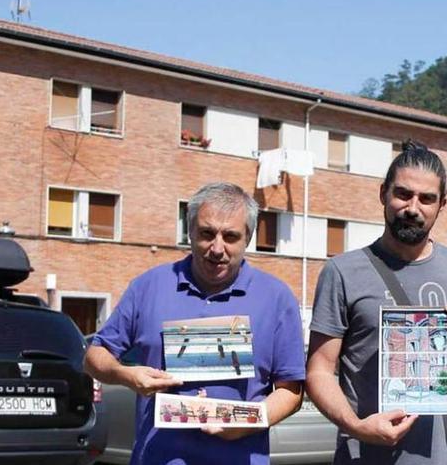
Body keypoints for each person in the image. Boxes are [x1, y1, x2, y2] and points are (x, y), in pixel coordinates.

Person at [306, 140, 447, 464]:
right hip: (363, 457)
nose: (413, 208)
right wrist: (357, 426)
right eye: (403, 194)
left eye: (426, 199)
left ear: (442, 205)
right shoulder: (342, 271)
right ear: (383, 194)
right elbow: (318, 372)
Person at [84, 182, 305, 465]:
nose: (217, 248)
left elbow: (290, 392)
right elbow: (94, 356)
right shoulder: (148, 287)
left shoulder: (276, 298)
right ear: (189, 232)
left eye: (231, 236)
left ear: (247, 238)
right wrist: (127, 375)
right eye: (206, 234)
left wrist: (250, 423)